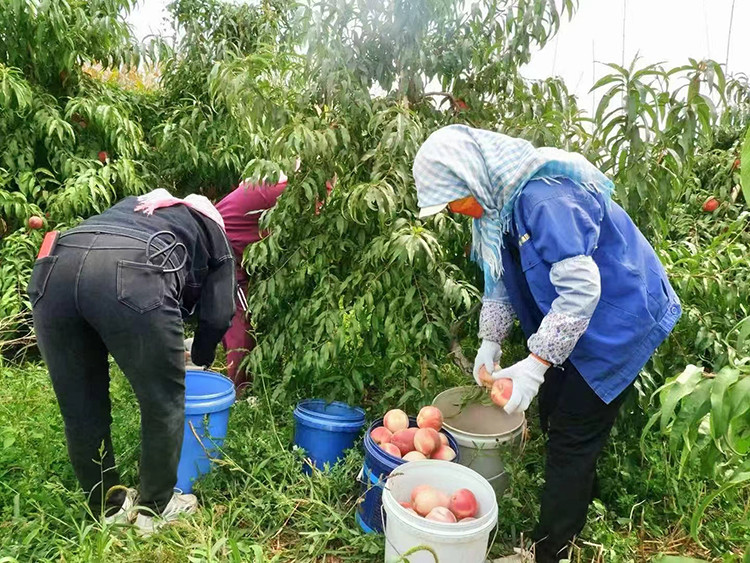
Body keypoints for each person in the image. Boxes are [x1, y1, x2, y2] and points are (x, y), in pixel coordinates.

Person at [412, 125, 681, 563]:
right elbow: (499, 281)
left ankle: (550, 551)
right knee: (555, 409)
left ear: (471, 174)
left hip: (618, 316)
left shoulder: (543, 198)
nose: (457, 210)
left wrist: (534, 365)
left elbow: (581, 291)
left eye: (455, 197)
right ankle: (582, 502)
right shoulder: (498, 210)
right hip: (576, 322)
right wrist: (490, 342)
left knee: (573, 431)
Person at [28, 189, 235, 534]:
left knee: (80, 409)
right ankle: (155, 509)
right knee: (163, 403)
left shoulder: (136, 206)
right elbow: (219, 314)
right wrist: (199, 356)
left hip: (53, 272)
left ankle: (106, 509)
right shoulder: (214, 230)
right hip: (132, 272)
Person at [212, 176, 287, 387]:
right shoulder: (286, 192)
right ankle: (238, 389)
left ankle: (242, 379)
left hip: (224, 243)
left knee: (236, 312)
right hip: (222, 248)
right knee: (238, 317)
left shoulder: (271, 182)